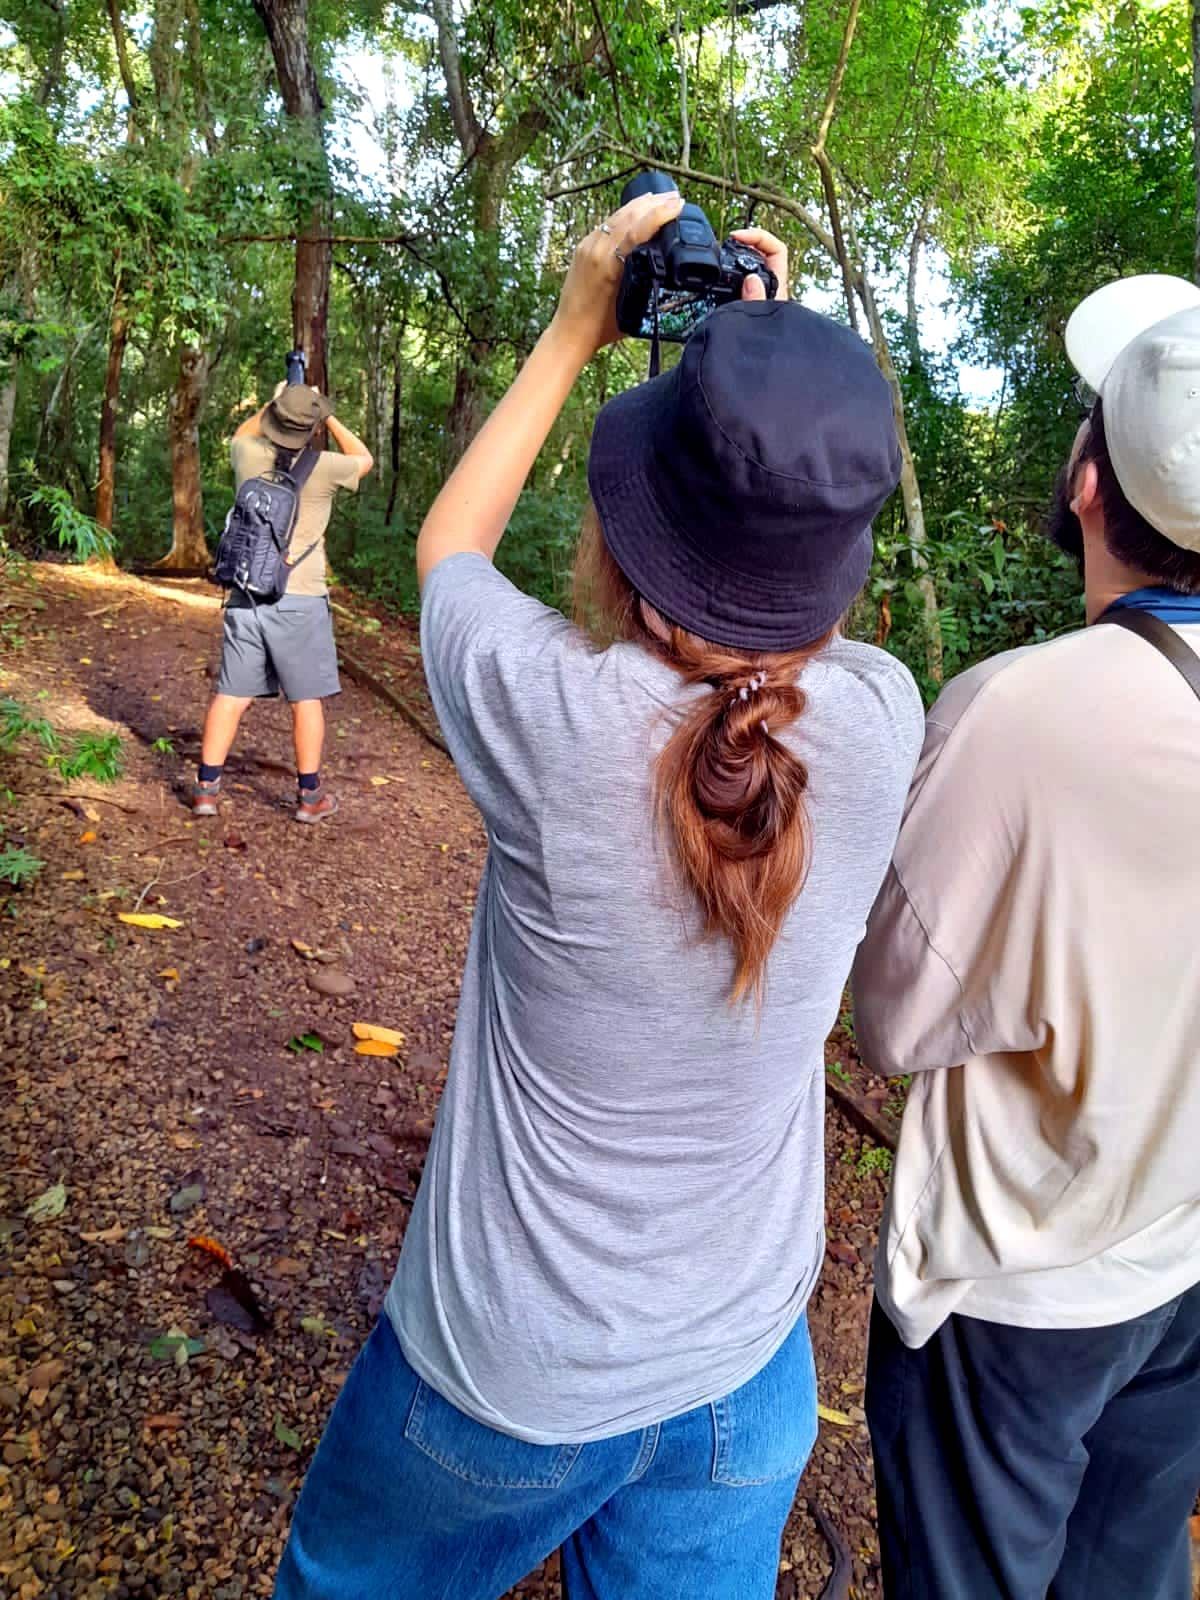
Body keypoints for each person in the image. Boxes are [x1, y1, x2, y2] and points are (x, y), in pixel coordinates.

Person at [273, 188, 923, 1598]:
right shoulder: (883, 719)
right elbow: (794, 641)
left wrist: (580, 326)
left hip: (506, 1373)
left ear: (630, 529)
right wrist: (773, 370)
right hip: (742, 1381)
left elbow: (452, 544)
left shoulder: (550, 718)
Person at [853, 274, 1200, 1600]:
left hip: (1021, 1294)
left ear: (1089, 487)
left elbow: (892, 1021)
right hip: (1183, 1260)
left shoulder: (1021, 713)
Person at [189, 382, 373, 823]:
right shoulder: (327, 466)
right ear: (309, 427)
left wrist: (277, 401)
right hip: (300, 599)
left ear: (273, 421)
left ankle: (206, 791)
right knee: (305, 698)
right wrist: (323, 411)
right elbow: (364, 459)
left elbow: (240, 433)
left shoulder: (248, 456)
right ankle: (309, 798)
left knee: (231, 694)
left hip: (247, 593)